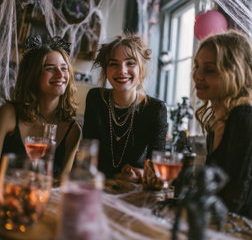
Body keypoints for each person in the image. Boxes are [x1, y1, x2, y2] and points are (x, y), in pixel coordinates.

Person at [82, 33, 168, 180]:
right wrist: (116, 176)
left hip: (134, 191)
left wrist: (139, 174)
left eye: (130, 63)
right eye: (114, 64)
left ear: (142, 68)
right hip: (96, 186)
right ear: (106, 69)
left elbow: (156, 170)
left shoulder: (156, 109)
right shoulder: (95, 98)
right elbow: (87, 159)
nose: (122, 70)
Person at [0, 35, 81, 185]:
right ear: (32, 74)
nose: (60, 74)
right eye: (50, 68)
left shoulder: (73, 130)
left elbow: (62, 185)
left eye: (64, 68)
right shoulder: (8, 114)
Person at [192, 29, 252, 219]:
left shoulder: (243, 117)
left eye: (209, 69)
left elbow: (236, 199)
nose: (197, 75)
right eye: (197, 66)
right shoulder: (216, 122)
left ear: (235, 73)